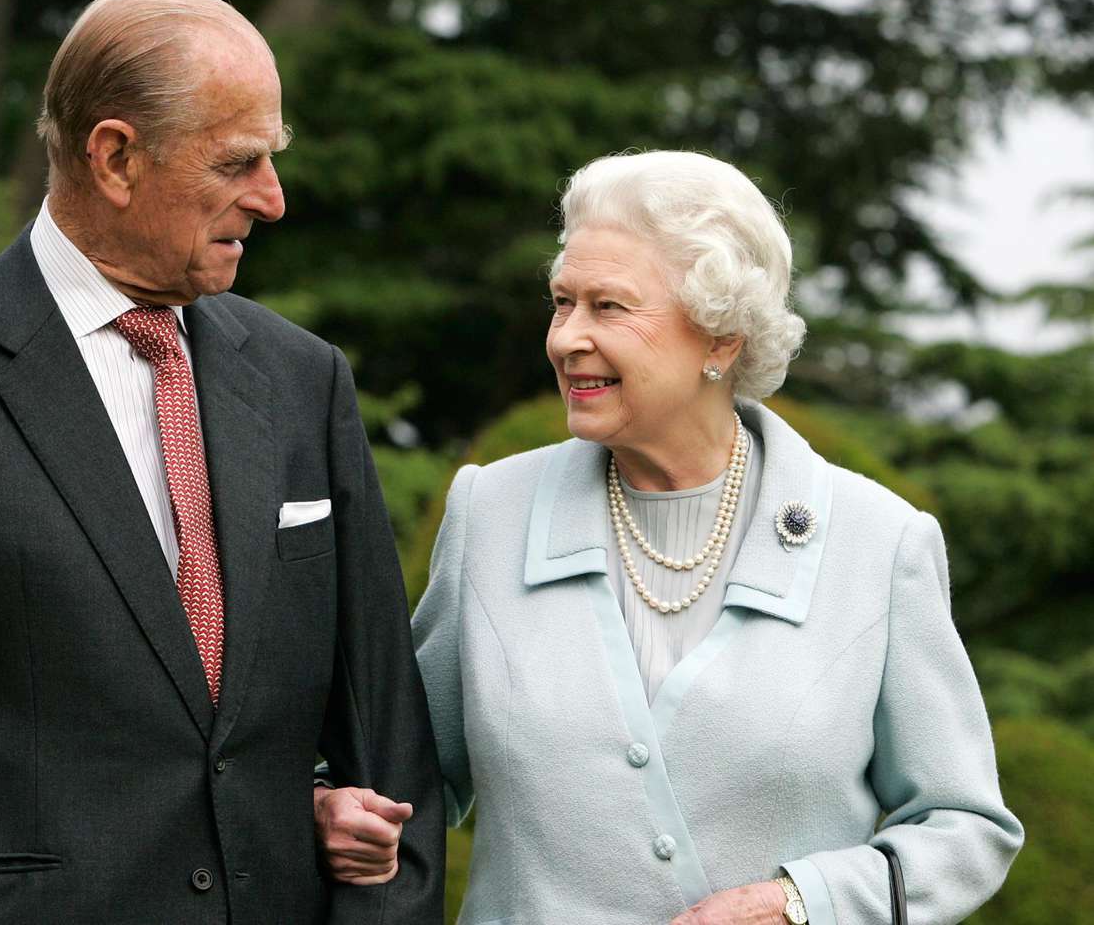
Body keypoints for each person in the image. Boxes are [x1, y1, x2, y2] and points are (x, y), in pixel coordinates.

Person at [0, 0, 444, 924]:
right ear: (116, 157)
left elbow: (389, 749)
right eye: (239, 161)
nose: (273, 199)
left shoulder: (304, 381)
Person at [314, 151, 1022, 923]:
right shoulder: (492, 511)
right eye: (562, 302)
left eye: (609, 307)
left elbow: (965, 829)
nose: (565, 339)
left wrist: (798, 904)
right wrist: (336, 804)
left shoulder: (878, 544)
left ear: (721, 339)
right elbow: (402, 771)